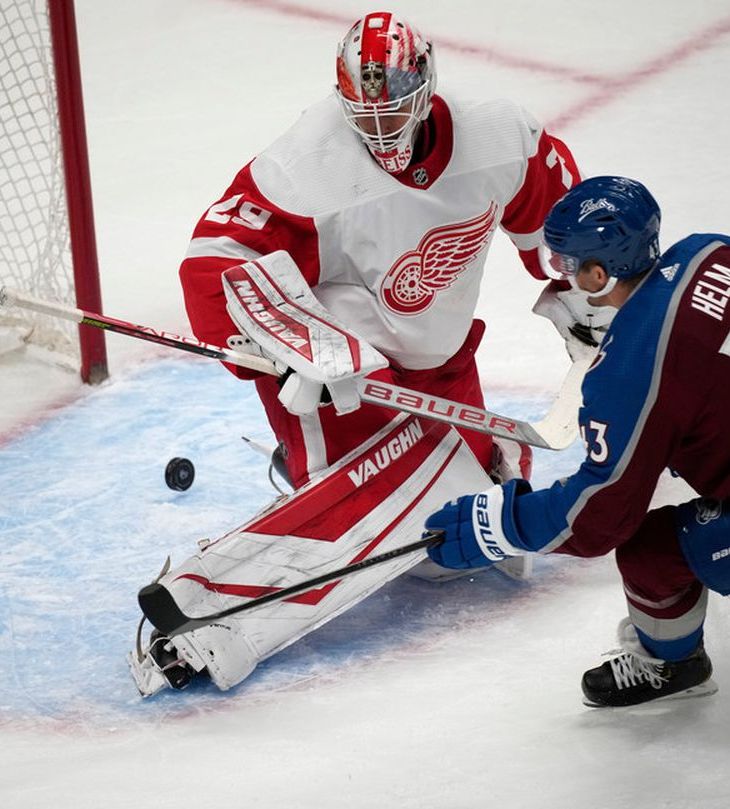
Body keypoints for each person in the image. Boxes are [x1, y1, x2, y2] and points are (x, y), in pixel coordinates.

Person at [178, 10, 587, 493]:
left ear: (426, 87)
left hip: (439, 364)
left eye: (392, 110)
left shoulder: (498, 136)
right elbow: (214, 258)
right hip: (341, 385)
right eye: (362, 113)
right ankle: (313, 463)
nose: (379, 130)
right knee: (371, 502)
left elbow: (567, 228)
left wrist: (589, 305)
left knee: (478, 497)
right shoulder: (306, 164)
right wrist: (290, 349)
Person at [424, 175, 730, 707]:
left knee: (654, 553)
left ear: (598, 273)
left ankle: (671, 664)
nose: (562, 275)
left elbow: (600, 516)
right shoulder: (710, 252)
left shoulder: (629, 372)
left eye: (566, 264)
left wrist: (499, 524)